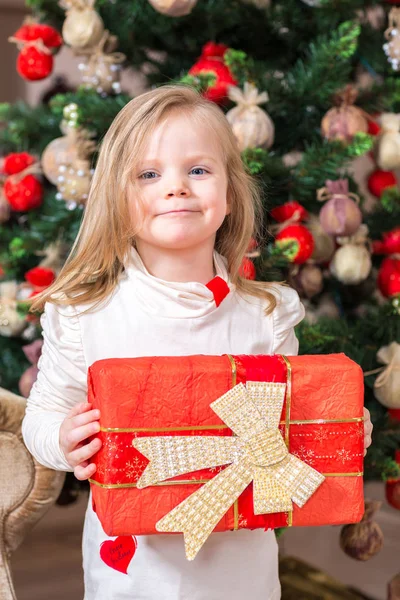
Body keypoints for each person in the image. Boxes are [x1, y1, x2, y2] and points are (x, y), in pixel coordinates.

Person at [22, 84, 373, 600]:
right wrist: (63, 439)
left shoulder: (264, 315)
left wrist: (334, 431)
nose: (177, 187)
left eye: (199, 170)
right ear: (119, 198)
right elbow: (43, 417)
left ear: (229, 193)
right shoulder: (87, 314)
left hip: (240, 570)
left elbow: (286, 431)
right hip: (132, 573)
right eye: (149, 174)